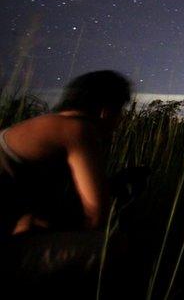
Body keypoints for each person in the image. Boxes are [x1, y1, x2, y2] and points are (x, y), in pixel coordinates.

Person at [0, 70, 132, 286]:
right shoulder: (77, 129)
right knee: (113, 246)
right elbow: (96, 217)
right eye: (121, 111)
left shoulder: (43, 125)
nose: (120, 121)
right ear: (105, 111)